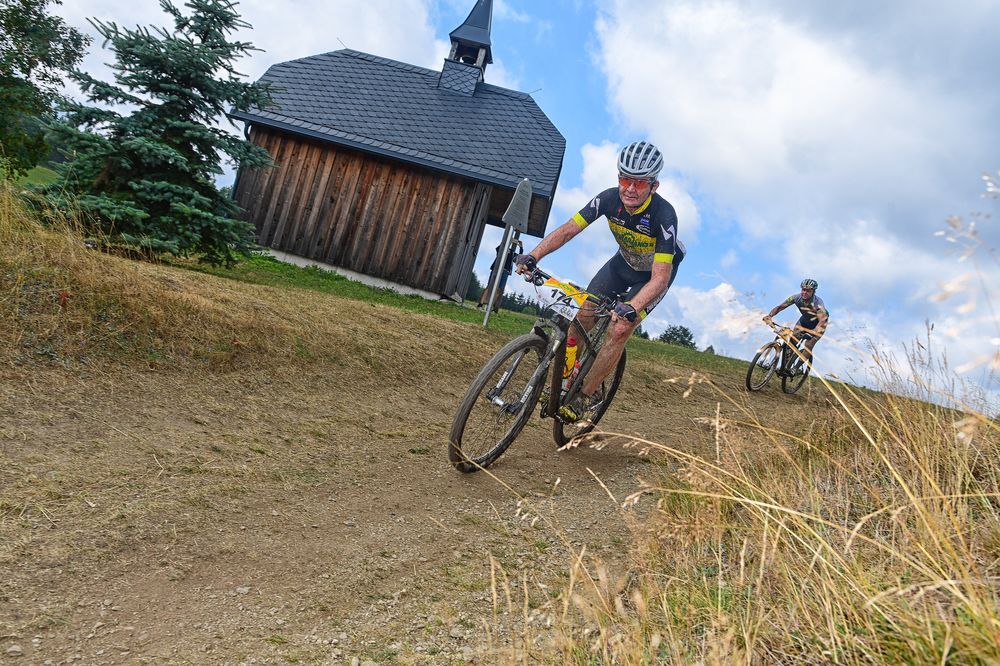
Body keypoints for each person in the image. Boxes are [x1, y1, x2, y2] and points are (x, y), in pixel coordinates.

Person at [515, 140, 685, 421]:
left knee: (620, 329)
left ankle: (585, 395)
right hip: (623, 264)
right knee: (582, 315)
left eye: (640, 183)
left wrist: (631, 308)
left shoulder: (664, 215)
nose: (630, 189)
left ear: (654, 186)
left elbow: (660, 279)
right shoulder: (608, 199)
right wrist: (534, 255)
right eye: (625, 179)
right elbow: (569, 229)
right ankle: (565, 382)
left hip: (652, 277)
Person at [763, 278, 829, 371]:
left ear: (813, 292)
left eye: (808, 291)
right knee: (792, 343)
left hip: (818, 325)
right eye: (803, 289)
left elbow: (822, 321)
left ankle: (795, 368)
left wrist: (813, 332)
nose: (804, 292)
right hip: (804, 321)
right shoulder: (796, 298)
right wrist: (769, 316)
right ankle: (785, 366)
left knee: (808, 345)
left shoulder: (818, 303)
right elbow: (780, 307)